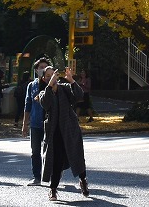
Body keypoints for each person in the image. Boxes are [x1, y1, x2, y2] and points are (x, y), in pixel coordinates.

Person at [39, 63, 89, 201]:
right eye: (48, 76)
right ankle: (53, 189)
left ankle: (83, 180)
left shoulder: (65, 88)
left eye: (53, 75)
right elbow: (45, 103)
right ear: (44, 79)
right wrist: (50, 86)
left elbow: (79, 95)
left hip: (70, 129)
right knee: (57, 160)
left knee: (77, 156)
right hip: (54, 132)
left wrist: (71, 80)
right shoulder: (44, 92)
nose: (51, 77)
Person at [22, 58, 53, 186]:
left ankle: (53, 175)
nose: (43, 70)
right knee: (35, 151)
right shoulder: (31, 85)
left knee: (50, 151)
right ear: (36, 70)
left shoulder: (53, 84)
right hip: (35, 123)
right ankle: (36, 177)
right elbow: (27, 105)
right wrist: (25, 124)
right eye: (41, 67)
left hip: (50, 123)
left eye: (46, 67)